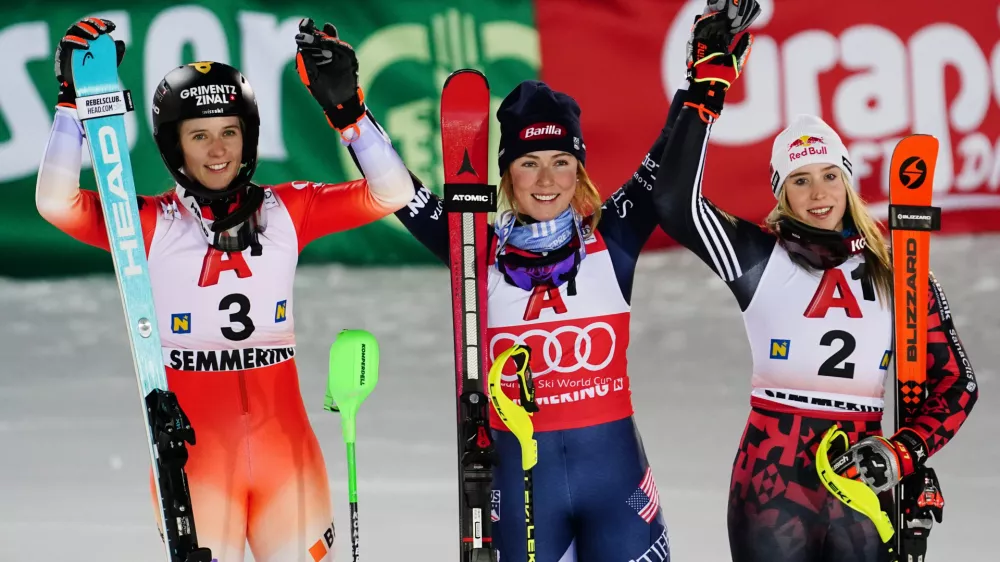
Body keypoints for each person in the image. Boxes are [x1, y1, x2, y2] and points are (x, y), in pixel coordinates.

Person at [36, 17, 414, 562]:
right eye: (199, 134)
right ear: (175, 147)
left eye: (229, 131)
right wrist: (72, 107)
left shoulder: (289, 210)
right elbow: (56, 204)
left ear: (249, 137)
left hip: (289, 459)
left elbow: (393, 192)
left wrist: (349, 115)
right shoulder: (147, 222)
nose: (218, 149)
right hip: (197, 465)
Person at [651, 11, 979, 562]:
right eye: (800, 180)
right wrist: (707, 85)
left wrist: (901, 453)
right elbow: (673, 203)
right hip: (771, 483)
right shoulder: (757, 256)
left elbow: (957, 386)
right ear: (782, 193)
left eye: (830, 175)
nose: (818, 192)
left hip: (860, 476)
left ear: (848, 181)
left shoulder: (901, 269)